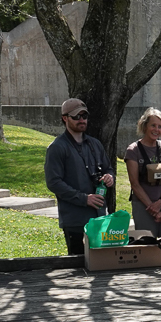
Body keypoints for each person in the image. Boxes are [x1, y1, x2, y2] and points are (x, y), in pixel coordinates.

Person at [43, 98, 116, 255]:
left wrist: (109, 177)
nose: (81, 120)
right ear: (65, 118)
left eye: (84, 116)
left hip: (99, 217)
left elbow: (108, 169)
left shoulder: (95, 144)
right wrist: (84, 198)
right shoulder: (57, 147)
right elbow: (53, 182)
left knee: (102, 263)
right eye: (76, 116)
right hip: (75, 220)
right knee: (78, 268)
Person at [125, 108, 161, 247]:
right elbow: (134, 184)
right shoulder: (133, 150)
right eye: (153, 125)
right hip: (143, 205)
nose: (156, 130)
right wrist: (152, 208)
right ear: (145, 126)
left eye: (160, 126)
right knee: (146, 244)